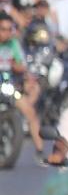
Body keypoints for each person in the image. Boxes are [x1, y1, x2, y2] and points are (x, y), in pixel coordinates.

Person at [0, 12, 45, 155]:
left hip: (8, 86)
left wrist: (17, 67)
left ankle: (40, 150)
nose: (6, 33)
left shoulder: (13, 44)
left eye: (9, 29)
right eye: (3, 29)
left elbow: (22, 65)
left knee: (30, 112)